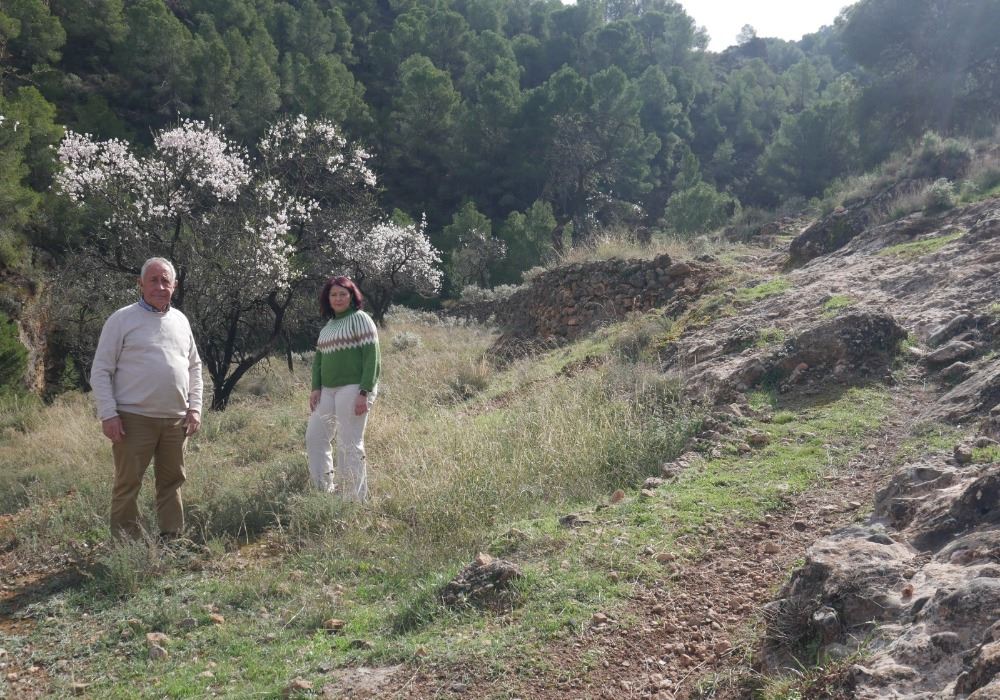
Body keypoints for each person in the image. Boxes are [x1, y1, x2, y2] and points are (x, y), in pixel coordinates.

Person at [90, 257, 203, 540]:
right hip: (132, 419)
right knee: (128, 484)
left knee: (172, 482)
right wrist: (108, 414)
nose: (160, 286)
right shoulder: (121, 319)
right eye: (153, 280)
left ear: (174, 286)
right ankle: (127, 545)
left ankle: (172, 539)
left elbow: (194, 367)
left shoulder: (180, 320)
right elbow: (101, 370)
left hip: (175, 420)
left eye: (166, 280)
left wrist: (195, 408)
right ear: (140, 284)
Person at [306, 276, 380, 500]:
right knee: (315, 437)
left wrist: (364, 392)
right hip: (327, 390)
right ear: (327, 299)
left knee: (349, 443)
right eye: (333, 295)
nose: (338, 298)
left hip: (354, 388)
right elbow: (319, 361)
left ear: (352, 296)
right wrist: (315, 388)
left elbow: (372, 358)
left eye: (342, 294)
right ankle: (323, 490)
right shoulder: (328, 327)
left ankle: (353, 499)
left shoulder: (361, 319)